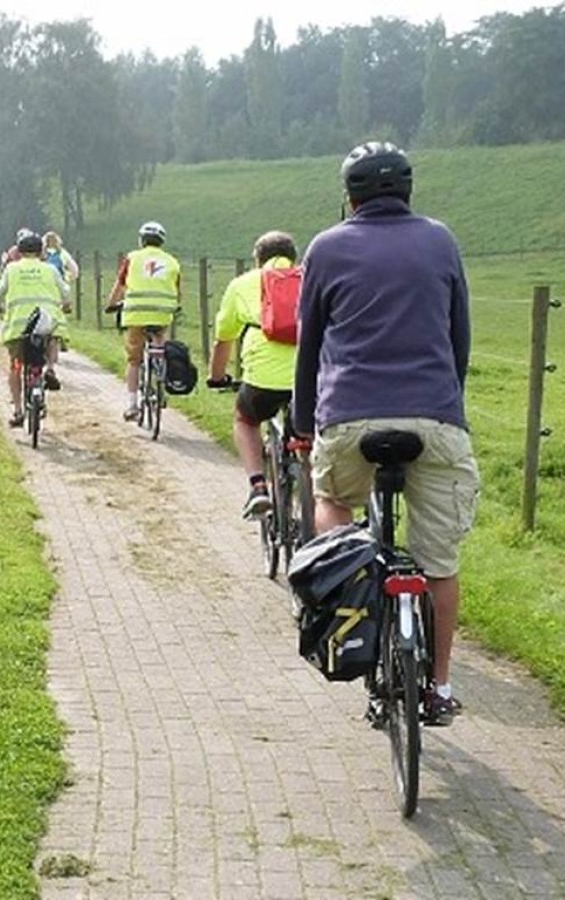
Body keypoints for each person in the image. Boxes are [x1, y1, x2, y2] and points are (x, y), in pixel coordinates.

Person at [293, 141, 479, 727]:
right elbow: (459, 336)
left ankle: (351, 583)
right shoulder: (441, 240)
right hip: (435, 416)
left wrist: (304, 425)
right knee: (439, 563)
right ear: (408, 190)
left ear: (349, 197)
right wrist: (446, 403)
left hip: (350, 417)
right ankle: (439, 687)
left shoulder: (326, 247)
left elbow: (309, 345)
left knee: (331, 499)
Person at [206, 231, 299, 519]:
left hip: (262, 378)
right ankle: (315, 496)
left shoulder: (242, 284)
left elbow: (224, 339)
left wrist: (216, 377)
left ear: (258, 259)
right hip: (309, 376)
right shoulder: (311, 278)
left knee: (245, 420)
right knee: (309, 432)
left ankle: (258, 486)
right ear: (294, 258)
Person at [104, 221, 182, 422]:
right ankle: (160, 373)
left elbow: (120, 284)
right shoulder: (172, 261)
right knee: (159, 342)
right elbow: (177, 291)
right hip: (162, 313)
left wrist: (111, 304)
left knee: (134, 360)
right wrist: (175, 306)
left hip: (136, 313)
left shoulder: (132, 258)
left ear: (141, 240)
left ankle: (132, 405)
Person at [0, 231, 71, 426]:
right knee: (53, 336)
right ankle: (50, 368)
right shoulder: (50, 269)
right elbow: (65, 291)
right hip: (44, 323)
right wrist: (66, 305)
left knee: (15, 366)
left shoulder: (11, 269)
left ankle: (18, 411)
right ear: (41, 252)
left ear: (19, 251)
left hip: (19, 327)